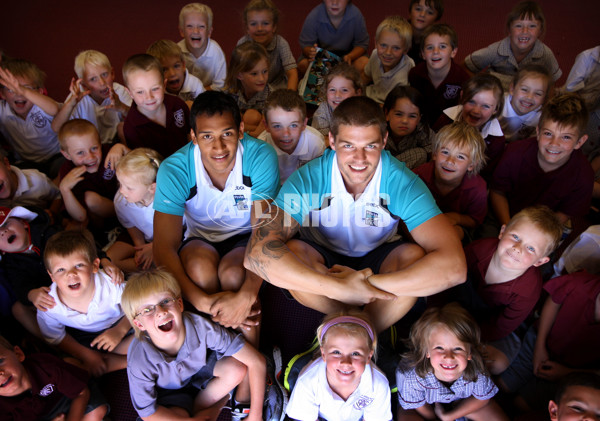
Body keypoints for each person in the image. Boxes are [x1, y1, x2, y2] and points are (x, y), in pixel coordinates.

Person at [245, 96, 466, 333]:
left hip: (377, 255)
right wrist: (336, 287)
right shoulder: (311, 178)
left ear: (384, 140)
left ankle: (362, 333)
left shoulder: (400, 182)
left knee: (413, 256)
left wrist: (365, 284)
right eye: (348, 145)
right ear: (332, 140)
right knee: (294, 254)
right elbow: (256, 253)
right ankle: (348, 330)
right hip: (324, 256)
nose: (359, 159)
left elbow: (455, 267)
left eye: (369, 146)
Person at [153, 91, 278, 348]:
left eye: (227, 134)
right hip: (200, 240)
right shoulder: (175, 168)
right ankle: (214, 347)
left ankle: (254, 357)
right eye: (207, 136)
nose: (218, 147)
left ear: (241, 130)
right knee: (200, 269)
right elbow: (163, 247)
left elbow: (264, 232)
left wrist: (247, 294)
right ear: (193, 137)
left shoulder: (260, 156)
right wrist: (201, 301)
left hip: (246, 237)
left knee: (234, 275)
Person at [433, 206, 562, 376]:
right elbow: (446, 279)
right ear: (502, 232)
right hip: (455, 306)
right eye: (515, 237)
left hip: (488, 328)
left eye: (531, 249)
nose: (518, 248)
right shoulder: (478, 250)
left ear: (539, 262)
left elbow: (500, 328)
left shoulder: (527, 291)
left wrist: (463, 339)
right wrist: (436, 313)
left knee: (496, 362)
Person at [122, 269, 265, 421]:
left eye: (165, 301)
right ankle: (216, 405)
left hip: (200, 372)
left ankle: (212, 405)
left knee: (236, 369)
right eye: (147, 310)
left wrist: (256, 415)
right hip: (170, 394)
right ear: (139, 324)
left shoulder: (200, 327)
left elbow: (256, 361)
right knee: (180, 416)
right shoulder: (139, 359)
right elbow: (148, 413)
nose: (161, 312)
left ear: (179, 304)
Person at [0, 206, 122, 338]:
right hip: (53, 297)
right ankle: (52, 342)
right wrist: (31, 294)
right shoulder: (10, 263)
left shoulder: (46, 233)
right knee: (18, 309)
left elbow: (83, 249)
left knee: (112, 270)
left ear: (23, 222)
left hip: (85, 279)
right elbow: (20, 285)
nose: (3, 231)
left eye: (6, 223)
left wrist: (105, 261)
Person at [499, 270, 600, 411]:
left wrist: (567, 373)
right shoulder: (582, 282)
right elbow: (553, 302)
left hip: (575, 372)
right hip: (540, 340)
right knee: (504, 386)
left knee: (521, 405)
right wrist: (540, 347)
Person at [37, 230, 132, 377]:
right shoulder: (49, 304)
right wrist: (87, 355)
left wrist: (120, 330)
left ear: (94, 266)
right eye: (61, 269)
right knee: (70, 364)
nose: (71, 274)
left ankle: (128, 360)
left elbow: (140, 303)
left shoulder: (110, 284)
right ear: (52, 276)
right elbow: (55, 336)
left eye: (79, 265)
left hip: (126, 321)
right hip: (89, 338)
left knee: (137, 339)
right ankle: (112, 360)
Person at [490, 93, 594, 227]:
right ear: (538, 132)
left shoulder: (584, 176)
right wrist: (508, 226)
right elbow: (497, 191)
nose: (554, 143)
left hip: (543, 229)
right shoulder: (515, 152)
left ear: (580, 142)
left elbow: (565, 213)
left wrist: (531, 235)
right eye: (548, 133)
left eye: (566, 137)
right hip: (501, 218)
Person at [396, 303, 508, 421]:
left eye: (458, 348)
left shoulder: (476, 368)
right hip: (423, 407)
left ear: (470, 353)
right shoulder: (411, 376)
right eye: (439, 348)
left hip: (462, 402)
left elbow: (482, 398)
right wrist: (435, 418)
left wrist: (450, 416)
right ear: (426, 351)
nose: (449, 357)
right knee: (407, 416)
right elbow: (419, 406)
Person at [285, 311, 392, 421]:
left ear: (368, 357)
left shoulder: (378, 384)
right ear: (323, 354)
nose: (346, 362)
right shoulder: (308, 381)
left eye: (355, 354)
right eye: (336, 352)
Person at [0, 334, 108, 421]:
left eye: (0, 362)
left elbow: (82, 392)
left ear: (18, 354)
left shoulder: (45, 365)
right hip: (44, 417)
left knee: (97, 411)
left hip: (68, 397)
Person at [413, 122, 487, 240]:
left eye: (460, 157)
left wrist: (456, 218)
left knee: (455, 232)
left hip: (456, 226)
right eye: (445, 152)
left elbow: (474, 220)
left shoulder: (477, 189)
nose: (450, 161)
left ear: (471, 165)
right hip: (420, 221)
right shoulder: (418, 176)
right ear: (435, 154)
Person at [464, 0, 561, 90]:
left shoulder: (546, 54)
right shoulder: (495, 50)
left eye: (532, 26)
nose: (525, 31)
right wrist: (479, 88)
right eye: (519, 26)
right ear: (509, 29)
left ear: (540, 30)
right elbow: (466, 66)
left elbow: (552, 82)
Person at [434, 74, 506, 180]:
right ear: (462, 97)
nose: (476, 111)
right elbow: (433, 149)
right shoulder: (446, 119)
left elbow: (486, 173)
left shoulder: (496, 140)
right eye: (471, 102)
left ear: (496, 108)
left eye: (485, 106)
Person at [51, 50, 131, 144]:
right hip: (89, 146)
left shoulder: (119, 91)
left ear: (112, 73)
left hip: (115, 144)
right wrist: (71, 104)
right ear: (84, 85)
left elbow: (139, 119)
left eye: (104, 75)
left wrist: (122, 107)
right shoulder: (77, 97)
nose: (102, 83)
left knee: (122, 127)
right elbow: (56, 128)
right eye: (93, 79)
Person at [0, 60, 63, 178]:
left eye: (26, 88)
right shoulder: (3, 110)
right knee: (16, 174)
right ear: (2, 93)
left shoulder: (42, 106)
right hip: (26, 162)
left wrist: (23, 90)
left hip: (56, 156)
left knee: (63, 168)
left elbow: (54, 109)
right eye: (11, 89)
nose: (19, 94)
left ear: (39, 92)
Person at [122, 54, 191, 158]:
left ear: (164, 85)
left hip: (188, 159)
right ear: (130, 93)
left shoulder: (177, 105)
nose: (149, 97)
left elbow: (191, 134)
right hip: (160, 170)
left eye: (155, 89)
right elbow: (143, 163)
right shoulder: (131, 127)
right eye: (140, 92)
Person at [58, 119, 124, 225]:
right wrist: (64, 190)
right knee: (90, 200)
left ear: (100, 144)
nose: (90, 157)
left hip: (126, 200)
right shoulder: (68, 172)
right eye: (80, 153)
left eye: (94, 148)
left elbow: (140, 167)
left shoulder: (108, 151)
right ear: (67, 155)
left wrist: (121, 148)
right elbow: (80, 216)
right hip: (106, 216)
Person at [108, 148, 162, 273]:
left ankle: (156, 270)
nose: (121, 191)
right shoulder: (122, 200)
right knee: (110, 260)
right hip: (142, 235)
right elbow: (130, 223)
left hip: (169, 240)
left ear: (152, 188)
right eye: (120, 184)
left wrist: (155, 247)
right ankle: (149, 269)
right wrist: (140, 247)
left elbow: (180, 232)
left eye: (129, 188)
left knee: (165, 260)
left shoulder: (169, 201)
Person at [408, 23, 470, 126]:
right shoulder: (415, 74)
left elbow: (462, 111)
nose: (435, 52)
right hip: (421, 123)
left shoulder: (462, 79)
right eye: (429, 47)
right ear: (422, 54)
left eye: (442, 47)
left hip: (450, 126)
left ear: (453, 52)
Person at [259, 89, 325, 183]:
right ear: (266, 126)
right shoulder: (262, 148)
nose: (286, 134)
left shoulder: (315, 144)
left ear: (304, 124)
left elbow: (318, 178)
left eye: (293, 125)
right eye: (277, 126)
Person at [237, 0, 298, 90]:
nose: (260, 28)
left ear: (274, 27)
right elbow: (237, 74)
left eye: (265, 23)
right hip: (251, 88)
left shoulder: (280, 43)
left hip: (276, 88)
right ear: (247, 28)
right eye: (253, 24)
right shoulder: (242, 44)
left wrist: (290, 97)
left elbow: (292, 73)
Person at [297, 0, 370, 75]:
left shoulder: (355, 15)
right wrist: (311, 52)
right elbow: (306, 45)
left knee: (365, 63)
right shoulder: (314, 16)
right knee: (303, 65)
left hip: (347, 58)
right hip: (322, 59)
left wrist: (350, 56)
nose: (335, 2)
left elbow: (362, 44)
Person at [362, 15, 414, 104]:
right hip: (370, 96)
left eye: (396, 48)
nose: (388, 52)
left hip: (391, 105)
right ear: (376, 43)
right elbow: (365, 77)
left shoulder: (409, 68)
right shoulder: (375, 55)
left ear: (405, 49)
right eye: (383, 45)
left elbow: (401, 103)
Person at [225, 42, 272, 138]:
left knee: (252, 116)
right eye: (254, 74)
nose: (262, 78)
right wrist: (252, 131)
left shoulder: (271, 96)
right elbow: (225, 122)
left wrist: (245, 131)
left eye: (265, 71)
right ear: (239, 75)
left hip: (260, 139)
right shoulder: (229, 92)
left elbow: (264, 129)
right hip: (236, 137)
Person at [177, 2, 227, 91]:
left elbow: (221, 85)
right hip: (185, 94)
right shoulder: (177, 51)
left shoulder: (216, 52)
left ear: (209, 32)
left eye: (201, 26)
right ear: (182, 31)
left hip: (209, 94)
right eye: (189, 26)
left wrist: (200, 93)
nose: (195, 31)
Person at [383, 85, 433, 169]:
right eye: (398, 114)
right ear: (387, 114)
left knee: (420, 154)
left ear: (419, 119)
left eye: (412, 116)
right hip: (379, 168)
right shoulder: (378, 129)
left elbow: (434, 156)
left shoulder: (423, 131)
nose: (405, 121)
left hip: (404, 175)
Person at [499, 64, 552, 143]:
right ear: (512, 89)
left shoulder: (541, 118)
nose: (529, 97)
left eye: (538, 94)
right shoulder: (497, 105)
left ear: (544, 98)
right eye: (524, 89)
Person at [311, 62, 362, 137]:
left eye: (344, 90)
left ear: (357, 93)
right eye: (332, 90)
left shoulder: (363, 110)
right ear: (326, 90)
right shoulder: (323, 111)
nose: (337, 95)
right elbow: (325, 140)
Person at [406, 0, 444, 65]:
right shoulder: (396, 32)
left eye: (430, 12)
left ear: (436, 20)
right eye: (418, 9)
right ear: (410, 13)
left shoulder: (438, 41)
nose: (422, 15)